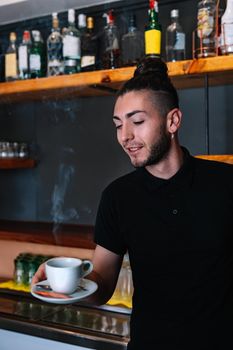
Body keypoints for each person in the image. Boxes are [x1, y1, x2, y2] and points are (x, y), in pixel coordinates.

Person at [32, 57, 233, 349]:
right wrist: (69, 286)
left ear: (172, 121)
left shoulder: (225, 182)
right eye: (118, 125)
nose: (126, 136)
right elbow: (102, 285)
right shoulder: (118, 197)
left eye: (137, 122)